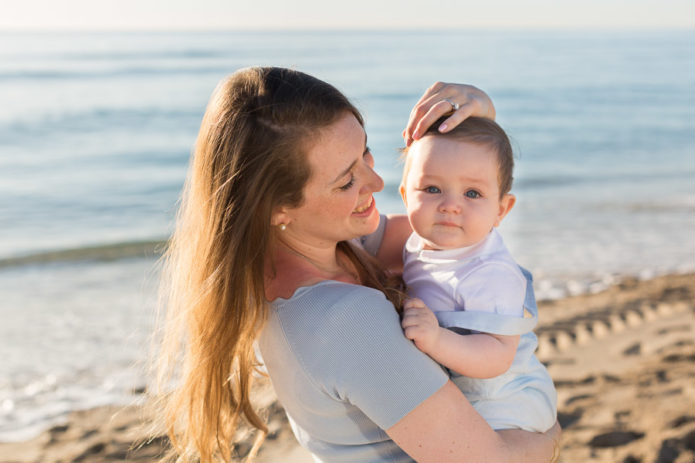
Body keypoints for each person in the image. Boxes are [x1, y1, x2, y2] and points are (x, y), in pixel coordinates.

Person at [156, 66, 560, 462]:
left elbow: (459, 239)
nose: (376, 182)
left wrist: (479, 124)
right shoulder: (347, 320)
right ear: (277, 207)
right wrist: (551, 439)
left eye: (365, 152)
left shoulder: (330, 248)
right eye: (346, 181)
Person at [398, 116, 557, 433]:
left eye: (472, 193)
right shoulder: (419, 242)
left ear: (501, 210)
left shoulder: (490, 274)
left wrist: (436, 339)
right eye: (432, 188)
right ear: (405, 195)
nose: (450, 205)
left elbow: (498, 356)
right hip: (463, 390)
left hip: (504, 400)